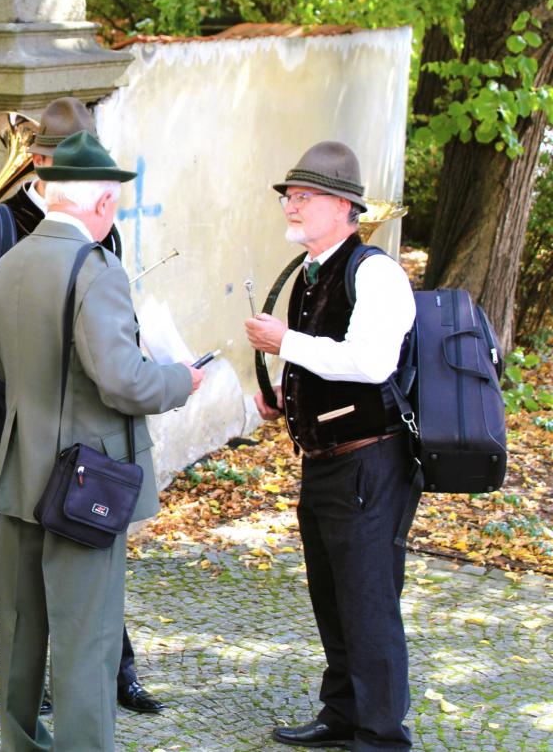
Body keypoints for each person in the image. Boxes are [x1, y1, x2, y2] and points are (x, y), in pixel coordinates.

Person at [0, 131, 203, 750]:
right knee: (88, 636)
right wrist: (180, 380)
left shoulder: (8, 263)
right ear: (103, 204)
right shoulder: (96, 268)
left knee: (20, 629)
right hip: (85, 484)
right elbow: (123, 381)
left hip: (19, 471)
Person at [0, 97, 163, 715]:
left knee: (94, 532)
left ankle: (115, 667)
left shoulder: (102, 225)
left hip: (84, 405)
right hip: (13, 402)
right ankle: (29, 678)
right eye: (54, 158)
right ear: (37, 162)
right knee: (14, 546)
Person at [244, 141, 418, 752]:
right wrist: (287, 397)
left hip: (369, 461)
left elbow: (371, 363)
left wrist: (285, 343)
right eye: (289, 197)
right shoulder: (313, 272)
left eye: (305, 196)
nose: (292, 206)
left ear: (345, 207)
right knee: (333, 595)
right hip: (326, 463)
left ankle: (382, 737)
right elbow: (326, 360)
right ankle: (343, 714)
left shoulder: (374, 272)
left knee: (368, 601)